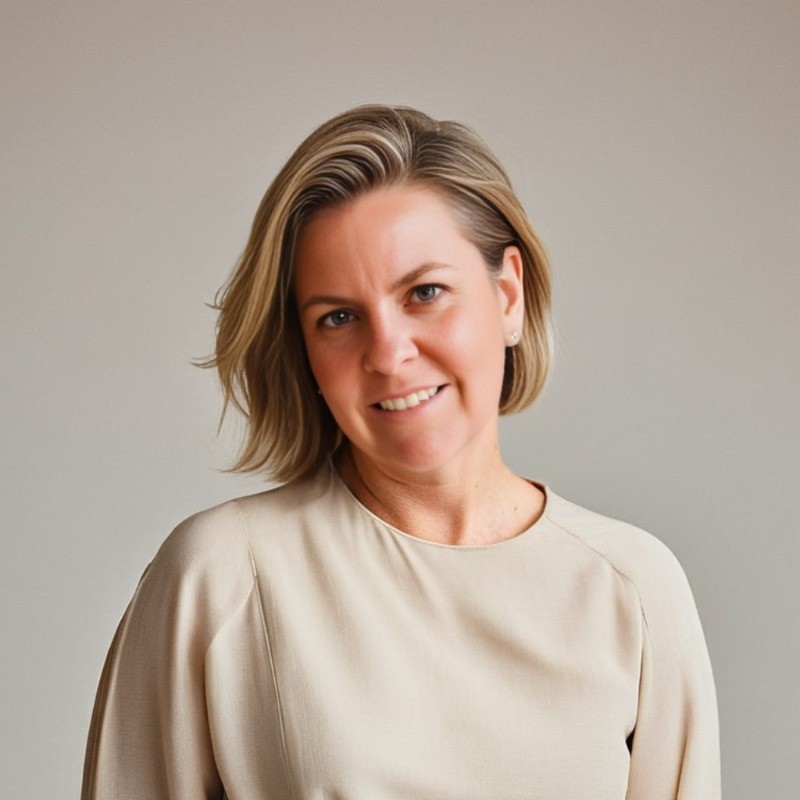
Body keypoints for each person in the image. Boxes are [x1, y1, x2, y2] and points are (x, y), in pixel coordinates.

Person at [81, 105, 720, 799]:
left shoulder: (633, 589)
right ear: (306, 351)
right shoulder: (223, 576)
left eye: (425, 293)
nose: (388, 355)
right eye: (339, 317)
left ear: (508, 295)